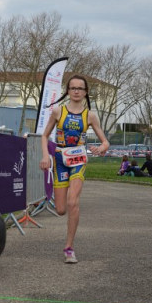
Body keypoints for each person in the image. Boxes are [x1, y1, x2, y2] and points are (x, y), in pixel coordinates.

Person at [39, 74, 110, 264]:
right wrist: (46, 156)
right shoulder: (57, 111)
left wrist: (100, 148)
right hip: (61, 159)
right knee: (61, 209)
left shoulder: (90, 115)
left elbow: (105, 142)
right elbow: (44, 136)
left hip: (78, 159)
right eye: (73, 88)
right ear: (68, 91)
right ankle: (68, 232)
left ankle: (69, 247)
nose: (77, 91)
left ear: (86, 92)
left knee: (73, 202)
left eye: (80, 88)